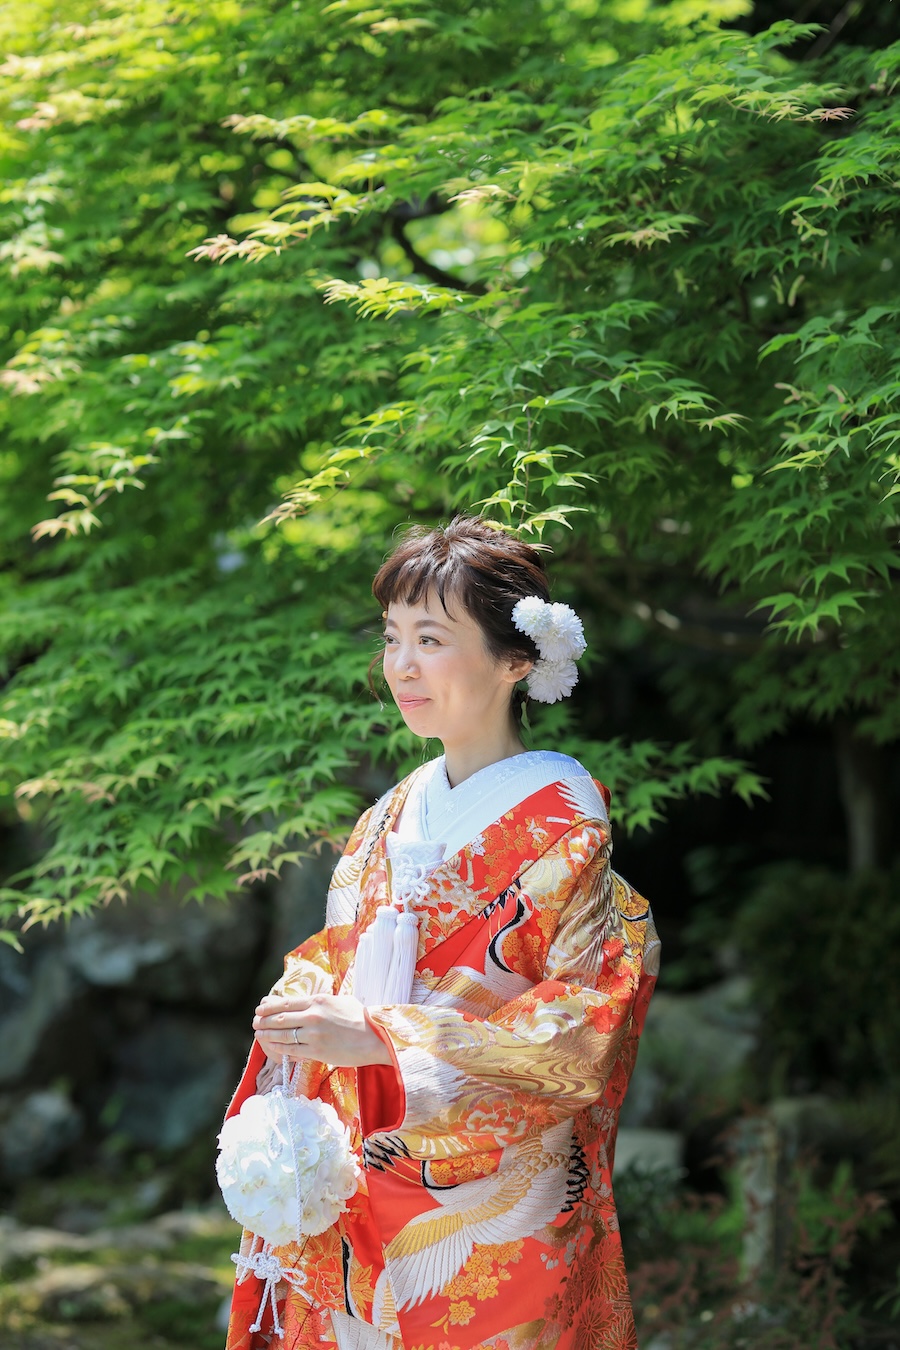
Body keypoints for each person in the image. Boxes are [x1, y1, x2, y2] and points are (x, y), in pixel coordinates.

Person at [222, 516, 660, 1350]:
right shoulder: (387, 816)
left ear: (517, 660)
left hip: (495, 1206)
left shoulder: (565, 826)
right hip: (366, 1184)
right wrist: (305, 1006)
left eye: (431, 638)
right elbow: (339, 960)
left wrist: (389, 1041)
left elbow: (580, 1031)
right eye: (393, 637)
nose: (402, 665)